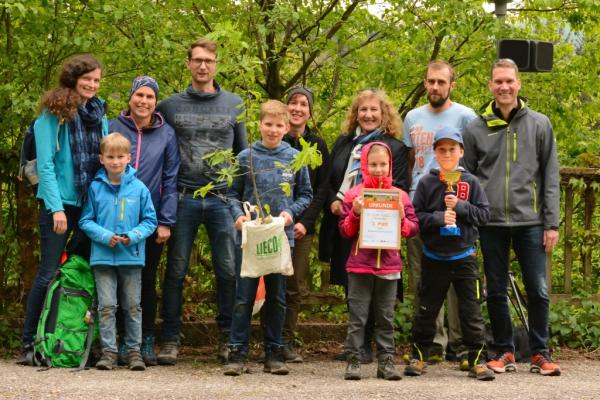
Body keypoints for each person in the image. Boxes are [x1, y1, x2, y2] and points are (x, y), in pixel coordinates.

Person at [462, 58, 561, 376]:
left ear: (518, 84)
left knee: (538, 289)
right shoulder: (475, 128)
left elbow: (550, 176)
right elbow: (467, 178)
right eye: (498, 81)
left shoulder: (539, 124)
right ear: (490, 85)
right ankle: (504, 350)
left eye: (509, 81)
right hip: (489, 223)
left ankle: (540, 352)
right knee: (495, 289)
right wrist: (471, 221)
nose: (504, 87)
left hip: (530, 222)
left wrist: (552, 222)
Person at [156, 37, 247, 365]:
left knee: (227, 270)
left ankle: (227, 338)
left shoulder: (234, 104)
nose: (203, 66)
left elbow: (243, 155)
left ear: (216, 64)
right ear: (188, 63)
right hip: (182, 198)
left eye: (208, 60)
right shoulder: (169, 106)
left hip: (223, 200)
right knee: (176, 270)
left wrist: (243, 201)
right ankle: (170, 338)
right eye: (197, 60)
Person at [18, 54, 108, 364]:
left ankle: (75, 340)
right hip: (59, 206)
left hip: (89, 207)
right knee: (48, 272)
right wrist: (56, 209)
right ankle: (29, 344)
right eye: (87, 79)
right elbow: (44, 165)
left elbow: (107, 158)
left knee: (81, 273)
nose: (92, 85)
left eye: (97, 80)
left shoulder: (99, 112)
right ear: (73, 77)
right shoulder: (53, 114)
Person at [223, 100, 312, 376]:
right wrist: (238, 216)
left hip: (281, 238)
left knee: (277, 296)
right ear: (259, 125)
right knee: (244, 296)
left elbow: (305, 195)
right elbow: (231, 194)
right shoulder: (246, 157)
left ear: (287, 128)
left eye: (278, 125)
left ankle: (274, 351)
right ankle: (237, 352)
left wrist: (289, 214)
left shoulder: (294, 158)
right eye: (268, 124)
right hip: (250, 239)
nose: (273, 130)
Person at [319, 89, 409, 362]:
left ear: (384, 114)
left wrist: (372, 204)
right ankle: (356, 345)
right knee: (353, 281)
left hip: (380, 225)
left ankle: (372, 345)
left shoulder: (395, 147)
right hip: (348, 221)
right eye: (363, 110)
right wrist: (335, 203)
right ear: (355, 114)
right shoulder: (344, 142)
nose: (368, 115)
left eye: (374, 110)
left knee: (377, 281)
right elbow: (329, 180)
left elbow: (401, 186)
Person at [403, 127, 494, 381]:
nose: (447, 154)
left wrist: (462, 207)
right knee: (426, 309)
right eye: (441, 149)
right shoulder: (427, 182)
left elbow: (485, 216)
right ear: (435, 152)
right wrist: (438, 218)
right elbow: (416, 218)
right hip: (434, 257)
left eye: (452, 149)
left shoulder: (471, 182)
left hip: (464, 257)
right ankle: (419, 355)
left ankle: (476, 359)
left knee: (471, 311)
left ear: (461, 152)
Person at [402, 60, 477, 366]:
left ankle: (460, 345)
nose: (435, 87)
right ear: (425, 83)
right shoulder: (412, 117)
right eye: (430, 81)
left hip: (457, 205)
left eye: (441, 82)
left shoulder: (466, 117)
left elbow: (473, 160)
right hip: (421, 205)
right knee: (424, 279)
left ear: (451, 85)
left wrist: (466, 203)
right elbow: (408, 161)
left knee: (461, 280)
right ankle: (431, 343)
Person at [109, 76, 180, 366]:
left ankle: (145, 339)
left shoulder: (167, 134)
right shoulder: (113, 127)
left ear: (156, 102)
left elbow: (171, 178)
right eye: (139, 95)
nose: (144, 101)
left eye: (150, 97)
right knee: (112, 279)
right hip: (112, 219)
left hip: (149, 222)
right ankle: (117, 342)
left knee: (146, 280)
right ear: (130, 97)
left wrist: (166, 221)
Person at [339, 142, 419, 381]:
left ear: (390, 165)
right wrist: (355, 212)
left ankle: (386, 362)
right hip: (359, 266)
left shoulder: (400, 196)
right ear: (364, 165)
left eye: (383, 164)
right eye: (373, 164)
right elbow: (344, 230)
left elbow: (413, 229)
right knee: (357, 317)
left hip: (389, 266)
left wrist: (403, 219)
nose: (378, 169)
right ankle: (353, 360)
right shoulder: (355, 195)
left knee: (385, 318)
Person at [79, 132, 158, 371]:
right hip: (102, 258)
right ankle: (109, 352)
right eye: (110, 157)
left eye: (120, 156)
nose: (115, 161)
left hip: (131, 257)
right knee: (106, 306)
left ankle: (134, 352)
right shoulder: (95, 188)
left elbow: (150, 220)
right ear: (102, 159)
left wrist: (132, 236)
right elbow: (85, 220)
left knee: (133, 305)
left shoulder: (139, 188)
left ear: (129, 158)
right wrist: (104, 236)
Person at [281, 85, 330, 362]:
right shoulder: (275, 138)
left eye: (303, 104)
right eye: (293, 102)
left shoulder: (317, 146)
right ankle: (269, 339)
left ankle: (286, 340)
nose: (297, 108)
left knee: (294, 285)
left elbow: (322, 188)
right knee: (271, 280)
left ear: (310, 113)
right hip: (272, 225)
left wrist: (305, 222)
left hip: (301, 228)